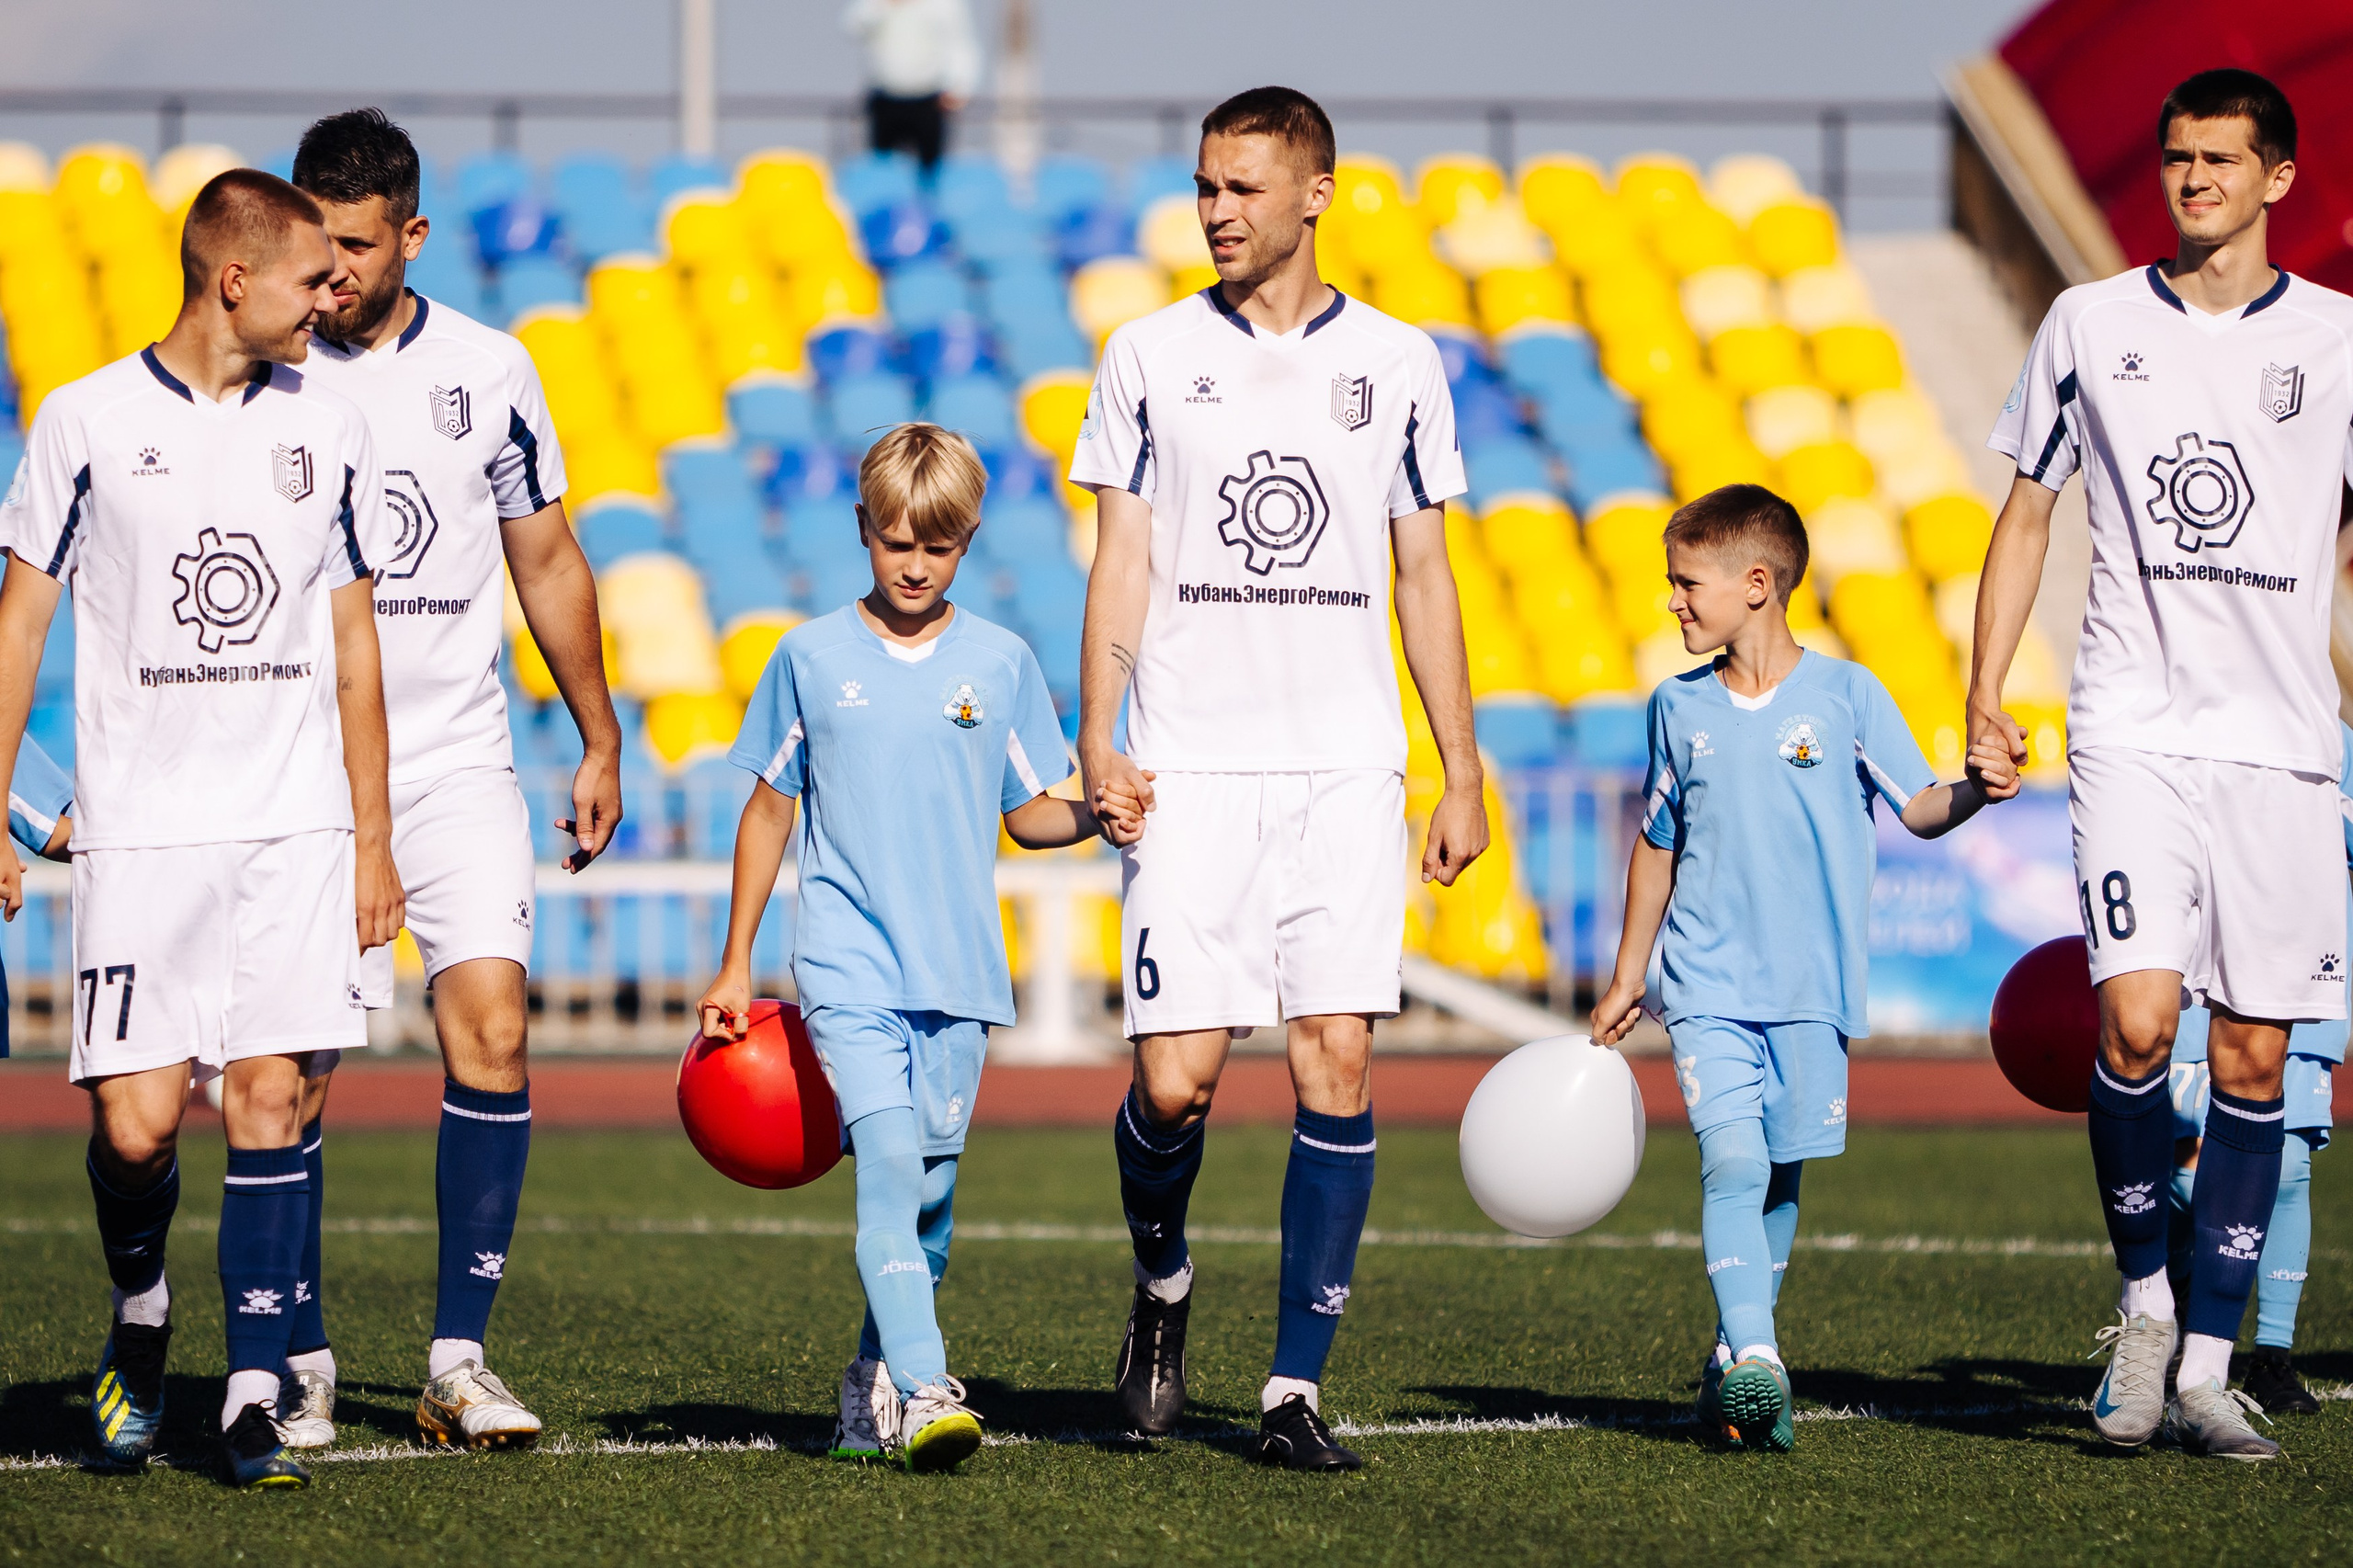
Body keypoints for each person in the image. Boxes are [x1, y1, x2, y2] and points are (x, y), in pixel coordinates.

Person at [1070, 85, 1488, 1471]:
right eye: (1203, 186)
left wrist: (1459, 766)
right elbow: (1120, 555)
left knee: (1339, 1059)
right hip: (1191, 764)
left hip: (1346, 772)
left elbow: (1424, 571)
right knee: (1177, 1082)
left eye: (1242, 188)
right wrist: (1099, 733)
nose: (1215, 211)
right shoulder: (1143, 354)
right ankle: (1165, 1284)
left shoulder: (1402, 362)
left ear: (1318, 193)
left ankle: (1293, 1387)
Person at [0, 168, 403, 1488]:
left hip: (291, 830)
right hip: (143, 837)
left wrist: (374, 837)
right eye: (308, 278)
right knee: (136, 1127)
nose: (330, 293)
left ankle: (247, 1392)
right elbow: (19, 622)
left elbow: (354, 642)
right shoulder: (84, 422)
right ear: (234, 280)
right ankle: (140, 1317)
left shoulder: (330, 426)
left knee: (273, 1102)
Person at [1972, 67, 2353, 1461]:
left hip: (2284, 756)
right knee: (2136, 1027)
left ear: (2278, 180)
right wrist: (1983, 690)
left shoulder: (2341, 340)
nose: (2192, 179)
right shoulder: (2089, 321)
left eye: (2219, 159)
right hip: (2133, 732)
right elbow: (2025, 515)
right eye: (2177, 157)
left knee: (2257, 1053)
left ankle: (2208, 1362)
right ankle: (2145, 1308)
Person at [284, 107, 622, 1454]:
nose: (333, 273)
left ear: (411, 235)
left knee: (492, 1026)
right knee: (296, 1073)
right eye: (315, 245)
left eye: (357, 247)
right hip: (305, 775)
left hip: (459, 760)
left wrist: (596, 732)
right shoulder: (266, 375)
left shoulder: (491, 369)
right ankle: (296, 1353)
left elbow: (545, 556)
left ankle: (456, 1360)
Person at [695, 424, 1100, 1472]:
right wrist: (738, 959)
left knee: (928, 1209)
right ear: (863, 533)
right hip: (846, 962)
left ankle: (867, 1385)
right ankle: (926, 1391)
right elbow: (768, 811)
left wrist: (1100, 809)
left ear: (966, 542)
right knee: (883, 1162)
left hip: (960, 976)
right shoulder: (810, 655)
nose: (914, 564)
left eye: (939, 545)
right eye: (893, 542)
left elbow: (1031, 814)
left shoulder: (1002, 663)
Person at [1589, 485, 2005, 1451]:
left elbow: (1919, 807)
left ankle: (1730, 1363)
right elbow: (1656, 843)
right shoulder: (1675, 705)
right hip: (1706, 986)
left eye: (1686, 583)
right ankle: (1764, 1362)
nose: (1673, 602)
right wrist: (1627, 972)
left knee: (1778, 1176)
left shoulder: (1848, 696)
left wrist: (1979, 790)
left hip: (1813, 991)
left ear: (1757, 584)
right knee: (1730, 1159)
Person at [2163, 718, 2353, 1415]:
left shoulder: (2333, 740)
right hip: (2189, 989)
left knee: (2291, 1167)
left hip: (2301, 982)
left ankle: (2273, 1356)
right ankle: (2175, 1332)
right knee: (2181, 1167)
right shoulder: (2175, 721)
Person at [843, 0, 982, 175]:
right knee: (882, 169)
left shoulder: (946, 4)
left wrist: (961, 86)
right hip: (886, 97)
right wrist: (883, 5)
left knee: (931, 170)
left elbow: (961, 44)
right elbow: (854, 28)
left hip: (930, 99)